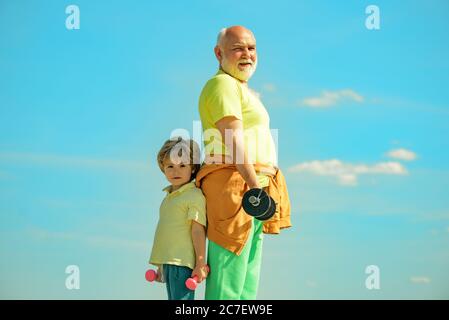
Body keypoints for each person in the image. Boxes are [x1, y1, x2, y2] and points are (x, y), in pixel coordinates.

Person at [196, 25, 292, 300]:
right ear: (219, 53)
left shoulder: (245, 91)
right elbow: (233, 139)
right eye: (238, 47)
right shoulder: (222, 84)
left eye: (251, 48)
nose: (247, 54)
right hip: (237, 185)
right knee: (227, 284)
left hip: (255, 186)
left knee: (247, 286)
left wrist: (261, 187)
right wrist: (254, 187)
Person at [148, 137, 208, 300]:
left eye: (182, 166)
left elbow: (197, 230)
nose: (176, 171)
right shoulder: (169, 197)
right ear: (163, 168)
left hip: (182, 262)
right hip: (170, 262)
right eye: (170, 166)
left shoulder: (193, 195)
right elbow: (168, 233)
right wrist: (161, 265)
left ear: (193, 168)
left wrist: (201, 263)